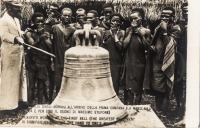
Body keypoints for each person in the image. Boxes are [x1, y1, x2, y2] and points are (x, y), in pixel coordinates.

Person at [146, 7, 181, 117]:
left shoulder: (176, 28)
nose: (164, 18)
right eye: (163, 15)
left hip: (169, 63)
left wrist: (165, 31)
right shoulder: (158, 28)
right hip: (157, 62)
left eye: (167, 16)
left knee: (166, 89)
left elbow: (170, 46)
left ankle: (164, 114)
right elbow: (154, 41)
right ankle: (159, 111)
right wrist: (152, 47)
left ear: (173, 17)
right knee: (157, 88)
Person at [0, 0, 26, 111]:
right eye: (17, 8)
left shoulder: (15, 19)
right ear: (10, 8)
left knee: (19, 78)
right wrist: (15, 38)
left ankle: (18, 101)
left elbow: (16, 31)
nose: (20, 10)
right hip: (9, 53)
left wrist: (21, 33)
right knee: (9, 79)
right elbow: (4, 35)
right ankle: (7, 106)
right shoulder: (3, 20)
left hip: (18, 53)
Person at [121, 8, 151, 105]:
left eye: (135, 18)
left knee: (138, 87)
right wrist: (131, 32)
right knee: (129, 86)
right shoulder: (128, 30)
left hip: (140, 62)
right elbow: (124, 45)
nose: (133, 21)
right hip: (129, 61)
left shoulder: (146, 31)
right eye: (131, 19)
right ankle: (130, 106)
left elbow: (148, 47)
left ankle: (137, 106)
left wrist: (142, 36)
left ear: (141, 18)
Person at [24, 12, 52, 105]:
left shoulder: (45, 32)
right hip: (31, 61)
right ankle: (30, 104)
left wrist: (45, 38)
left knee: (41, 85)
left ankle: (39, 105)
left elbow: (50, 46)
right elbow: (31, 46)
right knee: (32, 85)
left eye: (42, 21)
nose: (40, 24)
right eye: (37, 21)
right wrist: (40, 38)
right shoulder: (29, 32)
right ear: (33, 22)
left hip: (42, 61)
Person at [52, 8, 75, 95]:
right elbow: (52, 43)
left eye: (69, 16)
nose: (67, 17)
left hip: (69, 56)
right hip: (57, 56)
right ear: (61, 16)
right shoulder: (55, 28)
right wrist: (52, 58)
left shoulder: (73, 29)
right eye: (65, 15)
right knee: (58, 78)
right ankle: (58, 96)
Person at [101, 13, 125, 95]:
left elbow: (121, 47)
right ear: (110, 22)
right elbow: (101, 48)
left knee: (115, 83)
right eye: (113, 20)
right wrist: (104, 40)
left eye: (117, 21)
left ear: (120, 22)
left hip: (116, 62)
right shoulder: (105, 32)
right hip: (106, 61)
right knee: (105, 83)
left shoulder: (122, 33)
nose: (115, 22)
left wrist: (114, 35)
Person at [174, 2, 188, 122]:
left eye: (188, 10)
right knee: (179, 85)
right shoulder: (179, 25)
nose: (186, 12)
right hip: (181, 58)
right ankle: (179, 108)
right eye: (184, 10)